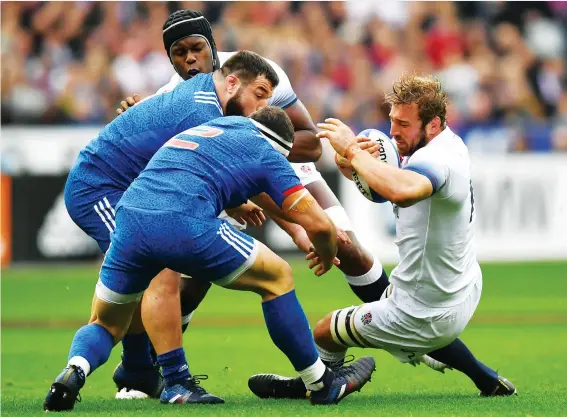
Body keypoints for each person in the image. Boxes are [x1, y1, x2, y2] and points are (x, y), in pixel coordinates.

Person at [114, 9, 390, 400]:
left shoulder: (260, 74)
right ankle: (149, 371)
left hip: (283, 166)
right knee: (184, 284)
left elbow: (310, 140)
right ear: (169, 58)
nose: (190, 59)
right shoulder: (170, 100)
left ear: (212, 46)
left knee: (346, 247)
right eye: (178, 53)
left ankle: (407, 326)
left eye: (196, 48)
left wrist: (259, 151)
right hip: (221, 184)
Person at [44, 107, 376, 412]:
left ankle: (75, 370)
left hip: (129, 217)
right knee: (277, 277)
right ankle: (321, 383)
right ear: (283, 149)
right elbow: (319, 224)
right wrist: (327, 250)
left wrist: (235, 201)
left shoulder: (218, 125)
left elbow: (205, 171)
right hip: (182, 221)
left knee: (105, 322)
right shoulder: (270, 155)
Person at [247, 74, 517, 399]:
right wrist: (352, 165)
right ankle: (483, 377)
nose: (393, 131)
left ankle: (319, 385)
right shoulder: (445, 144)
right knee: (380, 291)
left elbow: (402, 190)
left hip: (423, 310)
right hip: (461, 288)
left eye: (403, 124)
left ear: (432, 124)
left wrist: (352, 150)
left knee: (323, 333)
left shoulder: (437, 159)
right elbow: (388, 185)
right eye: (392, 120)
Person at [62, 50, 280, 401]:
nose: (259, 109)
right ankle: (173, 380)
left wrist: (235, 201)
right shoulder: (204, 111)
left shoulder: (203, 97)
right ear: (233, 81)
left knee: (145, 276)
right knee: (158, 271)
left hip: (133, 190)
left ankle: (136, 370)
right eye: (259, 95)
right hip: (99, 187)